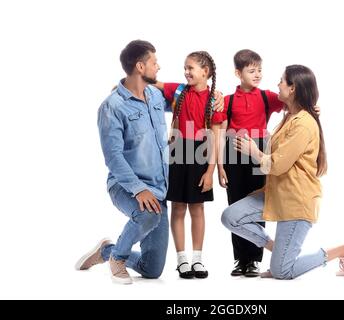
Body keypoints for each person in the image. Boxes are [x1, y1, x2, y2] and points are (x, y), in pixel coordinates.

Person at [221, 65, 344, 280]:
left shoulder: (303, 123)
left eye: (282, 81)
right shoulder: (290, 117)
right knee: (231, 216)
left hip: (295, 201)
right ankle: (280, 253)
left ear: (293, 88)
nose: (278, 84)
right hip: (277, 195)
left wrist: (254, 152)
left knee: (281, 271)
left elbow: (277, 165)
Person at [75, 40, 171, 285]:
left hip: (159, 189)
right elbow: (113, 157)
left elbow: (187, 99)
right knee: (148, 216)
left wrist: (213, 96)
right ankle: (117, 258)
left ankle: (106, 251)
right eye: (154, 62)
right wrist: (139, 189)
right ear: (140, 66)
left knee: (152, 270)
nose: (158, 67)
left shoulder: (156, 96)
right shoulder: (112, 107)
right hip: (125, 185)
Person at [156, 51, 225, 279]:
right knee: (178, 207)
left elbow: (215, 138)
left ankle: (197, 259)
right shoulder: (178, 90)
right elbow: (153, 82)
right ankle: (181, 259)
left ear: (205, 72)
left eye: (191, 68)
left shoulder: (214, 100)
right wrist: (121, 86)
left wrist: (210, 171)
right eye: (185, 68)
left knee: (197, 208)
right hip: (177, 152)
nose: (186, 72)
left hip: (200, 155)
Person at [217, 49, 284, 277]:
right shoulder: (227, 100)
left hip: (258, 153)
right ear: (238, 73)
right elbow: (217, 128)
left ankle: (254, 259)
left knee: (258, 206)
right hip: (233, 156)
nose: (257, 74)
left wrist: (312, 108)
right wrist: (221, 167)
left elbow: (292, 101)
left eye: (260, 70)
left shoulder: (266, 96)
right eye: (252, 70)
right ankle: (240, 260)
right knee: (235, 203)